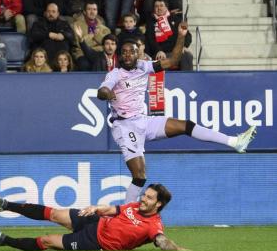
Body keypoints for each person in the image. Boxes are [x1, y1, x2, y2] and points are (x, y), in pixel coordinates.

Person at [97, 22, 257, 203]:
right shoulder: (115, 74)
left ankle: (235, 142)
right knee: (140, 175)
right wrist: (108, 93)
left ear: (137, 54)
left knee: (185, 125)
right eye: (124, 52)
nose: (127, 55)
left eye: (131, 51)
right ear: (119, 55)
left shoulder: (144, 66)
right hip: (125, 126)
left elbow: (173, 61)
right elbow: (101, 91)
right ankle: (126, 217)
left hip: (144, 121)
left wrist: (181, 35)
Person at [0, 184, 189, 251]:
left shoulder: (153, 225)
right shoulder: (135, 206)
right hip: (96, 221)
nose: (143, 198)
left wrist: (176, 248)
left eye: (149, 197)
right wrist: (95, 208)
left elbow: (160, 240)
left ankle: (4, 240)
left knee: (47, 240)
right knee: (54, 213)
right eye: (145, 194)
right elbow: (113, 209)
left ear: (159, 204)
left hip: (95, 241)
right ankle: (4, 204)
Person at [145, 0, 193, 71]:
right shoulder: (150, 22)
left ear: (166, 7)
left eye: (161, 6)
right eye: (156, 6)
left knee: (187, 55)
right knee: (161, 60)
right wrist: (158, 50)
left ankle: (187, 80)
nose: (159, 8)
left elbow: (187, 35)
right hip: (160, 53)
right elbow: (150, 40)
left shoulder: (176, 19)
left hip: (175, 51)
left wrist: (183, 46)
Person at [71, 1, 110, 71]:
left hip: (98, 54)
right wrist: (95, 37)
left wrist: (86, 39)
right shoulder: (76, 25)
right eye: (89, 9)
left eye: (94, 9)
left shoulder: (105, 29)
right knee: (84, 64)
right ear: (84, 12)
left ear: (97, 12)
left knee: (101, 61)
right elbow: (78, 43)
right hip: (82, 53)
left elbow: (106, 44)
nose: (92, 12)